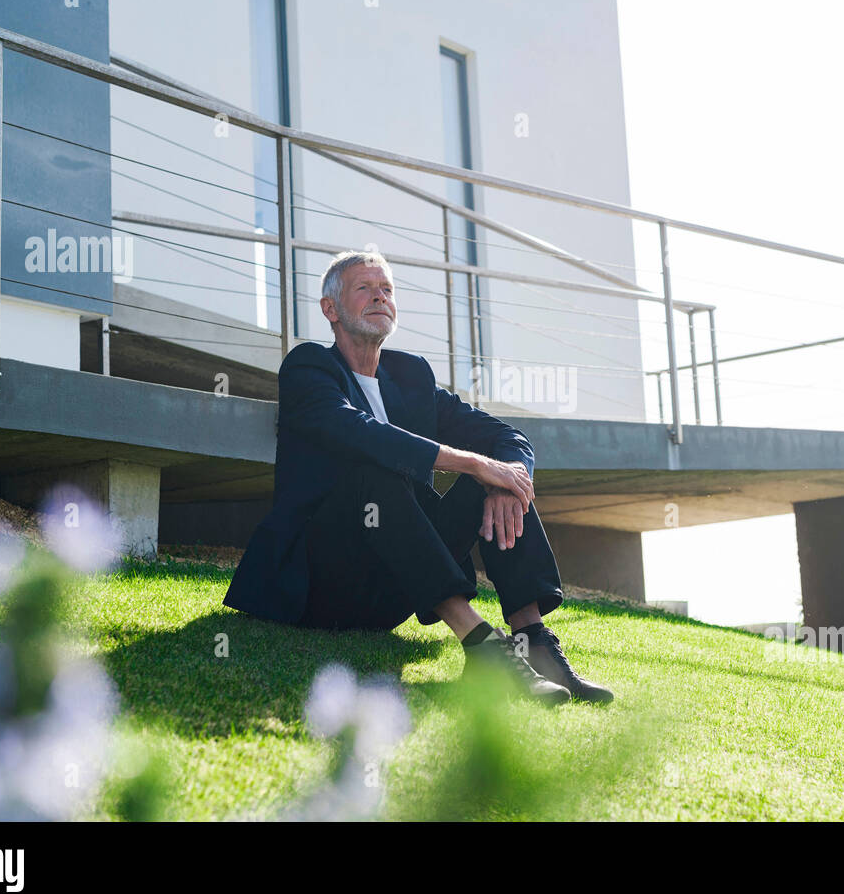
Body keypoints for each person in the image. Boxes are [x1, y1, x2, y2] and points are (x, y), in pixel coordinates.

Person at [223, 249, 613, 706]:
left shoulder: (410, 375)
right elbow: (361, 434)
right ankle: (482, 645)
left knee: (499, 480)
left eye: (386, 289)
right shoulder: (309, 367)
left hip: (390, 585)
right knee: (377, 470)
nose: (379, 297)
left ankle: (535, 641)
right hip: (318, 583)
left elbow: (506, 437)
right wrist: (474, 463)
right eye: (364, 288)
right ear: (331, 309)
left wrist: (504, 478)